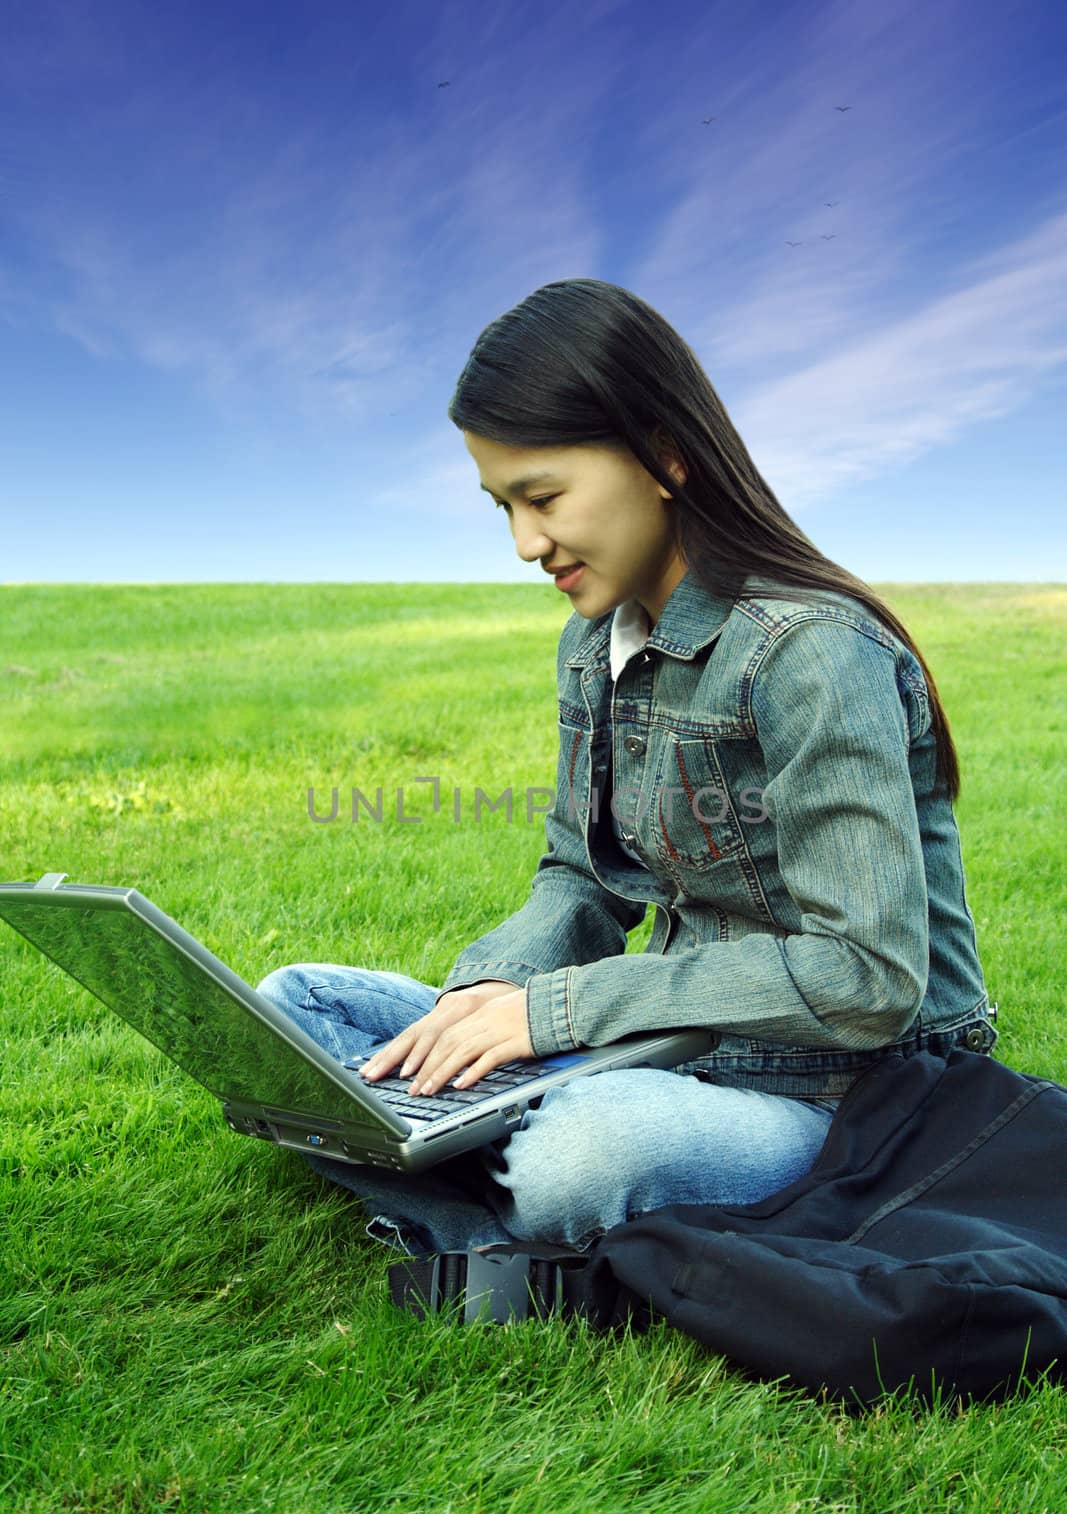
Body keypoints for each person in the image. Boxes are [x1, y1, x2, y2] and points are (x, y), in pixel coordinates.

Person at [256, 278, 998, 1261]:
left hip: (848, 1102)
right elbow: (579, 876)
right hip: (671, 1051)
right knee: (295, 1010)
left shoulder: (810, 654)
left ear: (665, 455)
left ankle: (475, 1200)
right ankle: (487, 1167)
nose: (524, 544)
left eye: (543, 497)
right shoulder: (591, 645)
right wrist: (488, 994)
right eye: (501, 506)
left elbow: (865, 975)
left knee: (580, 1154)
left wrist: (555, 1014)